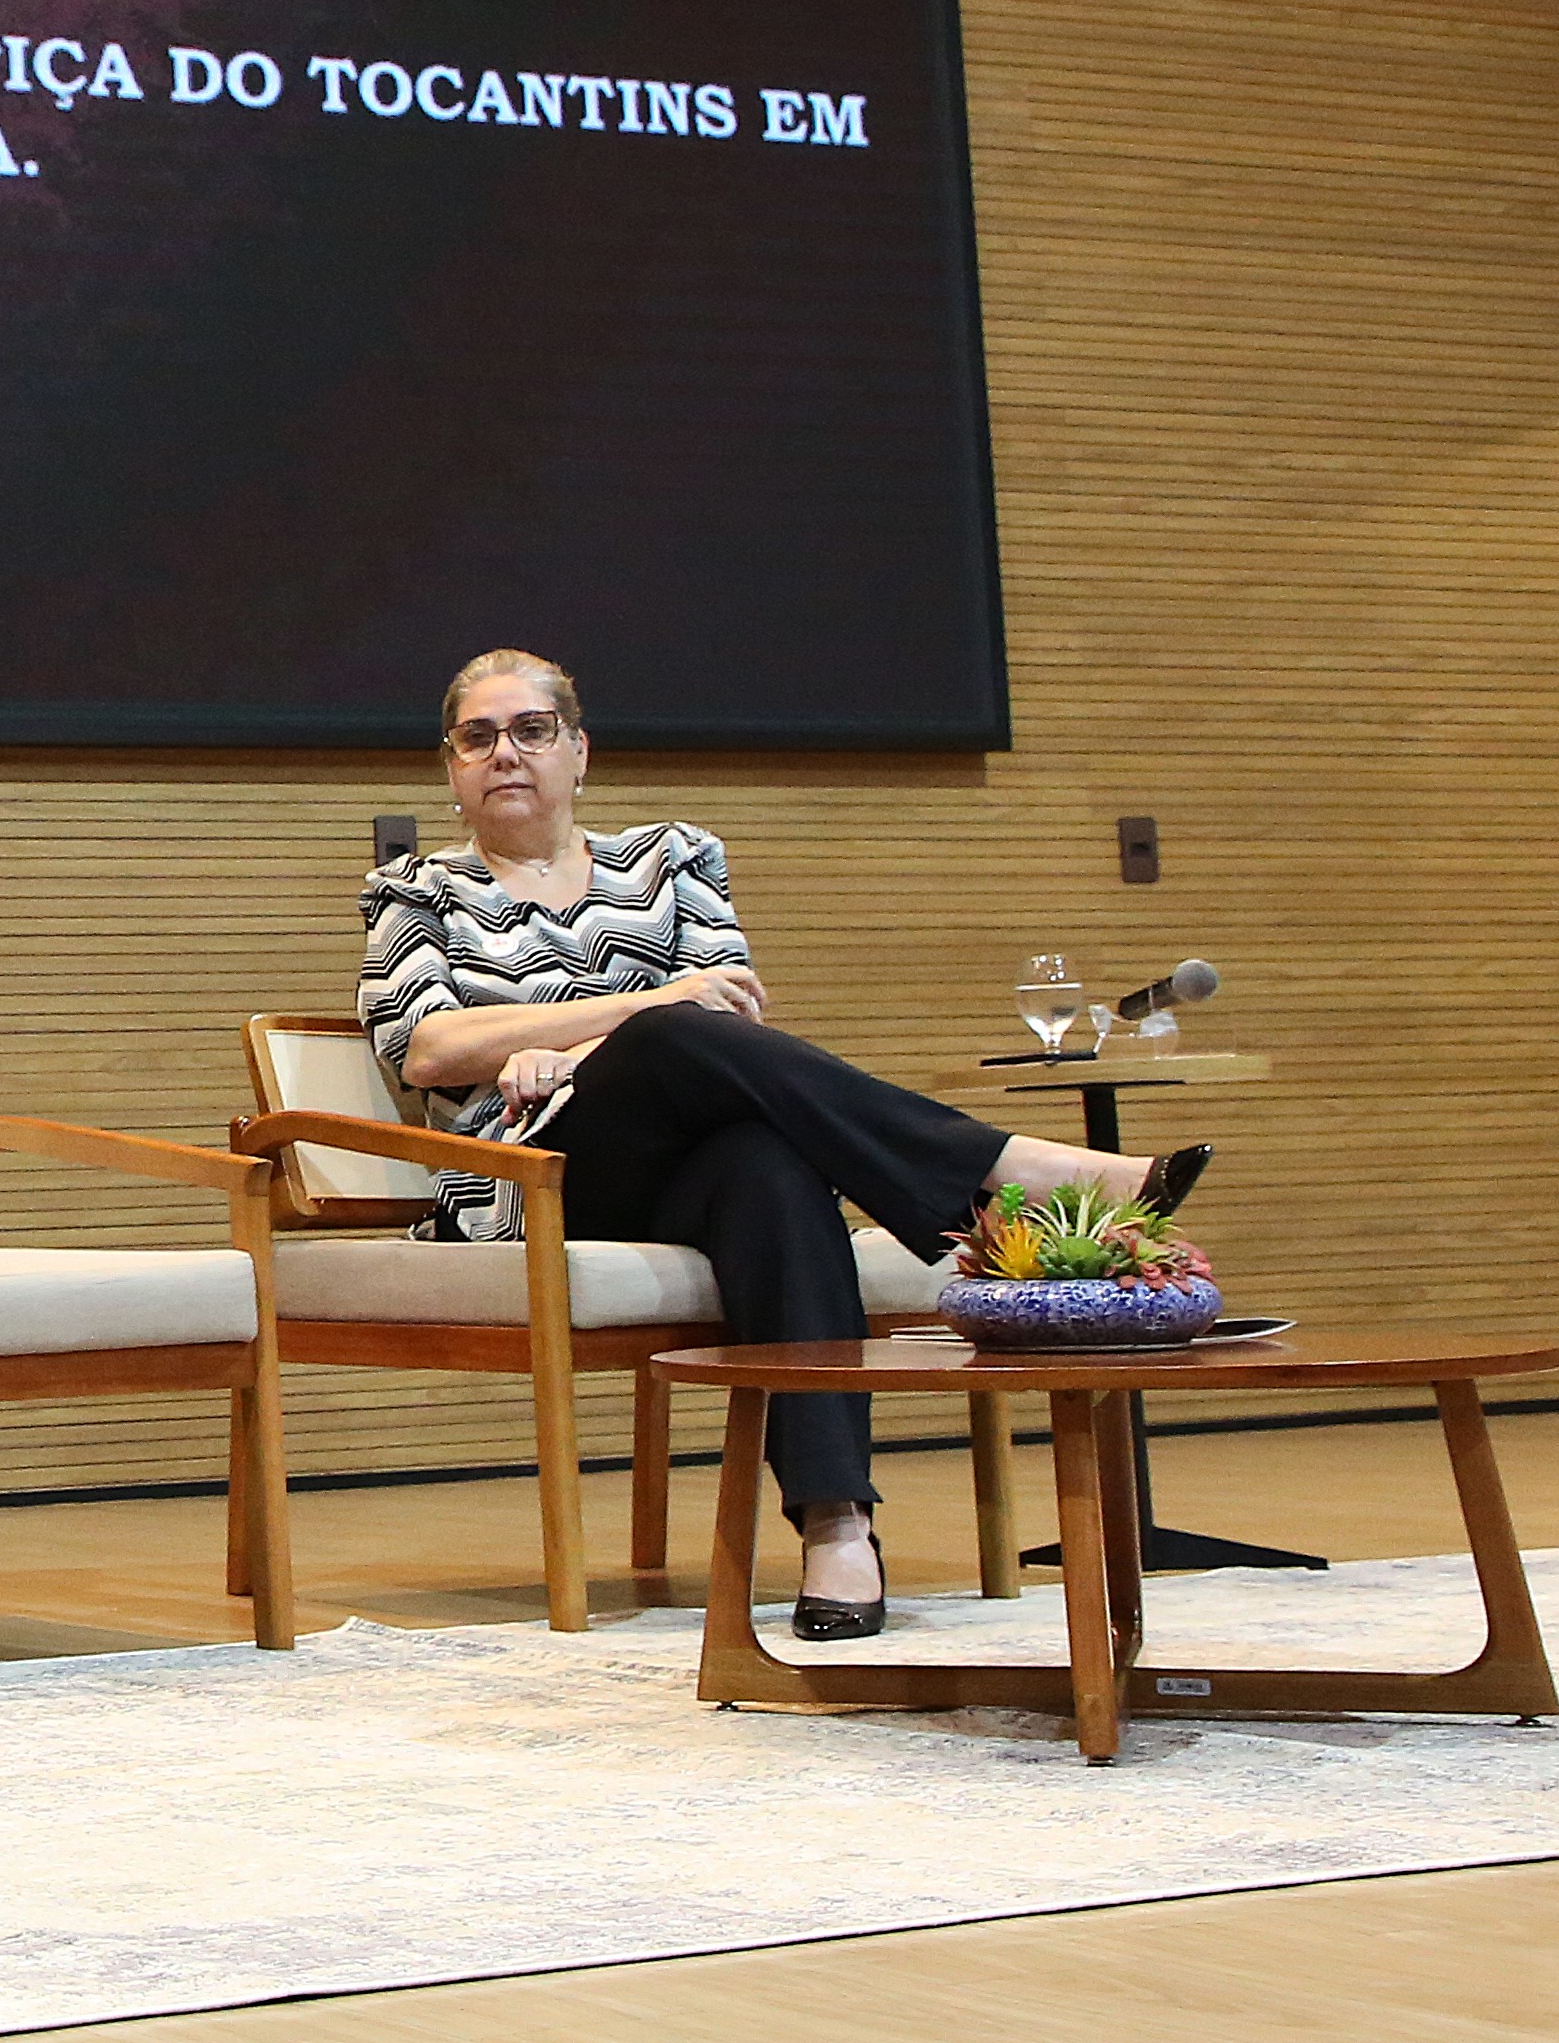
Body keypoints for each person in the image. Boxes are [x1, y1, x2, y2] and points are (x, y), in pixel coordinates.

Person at [357, 649, 1202, 1638]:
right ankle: (1001, 1168)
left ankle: (837, 1524)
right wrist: (641, 1011)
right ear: (452, 768)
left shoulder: (668, 861)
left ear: (578, 752)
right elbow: (428, 1047)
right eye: (478, 736)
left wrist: (570, 1041)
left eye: (532, 730)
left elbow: (732, 1021)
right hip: (528, 1181)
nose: (506, 752)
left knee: (772, 1166)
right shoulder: (418, 894)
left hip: (682, 1167)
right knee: (675, 1035)